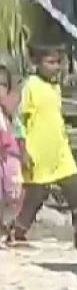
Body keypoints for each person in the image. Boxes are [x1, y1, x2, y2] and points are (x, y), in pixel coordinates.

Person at [7, 44, 77, 249]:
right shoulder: (31, 86)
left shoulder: (55, 87)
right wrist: (23, 150)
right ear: (37, 63)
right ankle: (18, 231)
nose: (56, 67)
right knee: (36, 194)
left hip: (59, 151)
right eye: (50, 62)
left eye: (58, 62)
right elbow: (19, 121)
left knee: (76, 190)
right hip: (38, 151)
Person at [0, 66, 22, 247]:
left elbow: (19, 135)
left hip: (10, 161)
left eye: (2, 84)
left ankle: (9, 228)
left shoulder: (9, 115)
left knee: (13, 195)